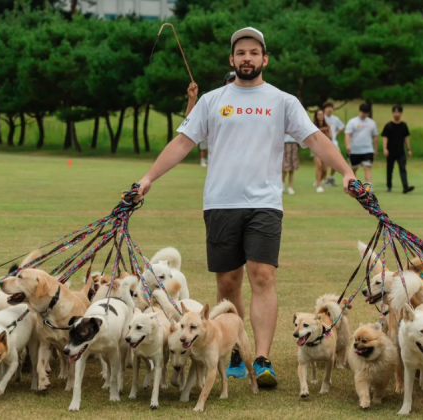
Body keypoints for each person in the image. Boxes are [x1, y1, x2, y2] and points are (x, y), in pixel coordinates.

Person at [134, 27, 355, 389]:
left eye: (254, 52)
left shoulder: (282, 101)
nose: (247, 58)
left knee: (263, 276)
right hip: (220, 202)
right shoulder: (211, 100)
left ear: (264, 59)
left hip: (265, 203)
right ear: (232, 59)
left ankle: (264, 358)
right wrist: (148, 178)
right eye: (241, 53)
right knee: (228, 281)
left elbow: (315, 138)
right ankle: (236, 348)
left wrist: (346, 172)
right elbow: (182, 142)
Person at [186, 71, 237, 168]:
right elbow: (190, 119)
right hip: (220, 163)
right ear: (225, 83)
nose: (233, 82)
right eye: (230, 80)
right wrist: (192, 99)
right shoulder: (214, 100)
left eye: (235, 80)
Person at [381, 105, 415, 194]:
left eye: (398, 112)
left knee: (403, 169)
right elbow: (385, 138)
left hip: (400, 152)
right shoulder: (388, 126)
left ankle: (405, 187)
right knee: (389, 169)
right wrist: (385, 149)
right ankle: (389, 186)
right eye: (395, 112)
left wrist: (409, 149)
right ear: (392, 113)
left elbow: (406, 138)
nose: (396, 114)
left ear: (401, 113)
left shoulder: (404, 125)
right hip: (390, 151)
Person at [345, 103, 378, 186]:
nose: (364, 115)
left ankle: (369, 187)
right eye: (363, 112)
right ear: (359, 111)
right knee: (353, 169)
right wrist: (348, 145)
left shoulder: (372, 123)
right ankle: (353, 186)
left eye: (366, 113)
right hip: (355, 150)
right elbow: (348, 134)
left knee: (367, 167)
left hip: (367, 150)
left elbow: (375, 136)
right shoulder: (352, 122)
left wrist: (375, 149)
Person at [323, 102, 344, 186]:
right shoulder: (322, 118)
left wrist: (336, 133)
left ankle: (330, 177)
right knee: (324, 163)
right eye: (327, 108)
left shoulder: (335, 119)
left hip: (333, 142)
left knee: (337, 161)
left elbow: (342, 127)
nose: (329, 109)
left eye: (331, 108)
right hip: (323, 143)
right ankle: (322, 179)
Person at [311, 109, 331, 193]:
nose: (321, 116)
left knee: (325, 169)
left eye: (322, 114)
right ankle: (318, 185)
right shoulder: (312, 126)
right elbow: (312, 137)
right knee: (318, 165)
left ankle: (318, 181)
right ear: (316, 116)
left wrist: (326, 131)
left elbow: (331, 137)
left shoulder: (327, 125)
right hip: (316, 148)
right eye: (319, 114)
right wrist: (321, 131)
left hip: (325, 148)